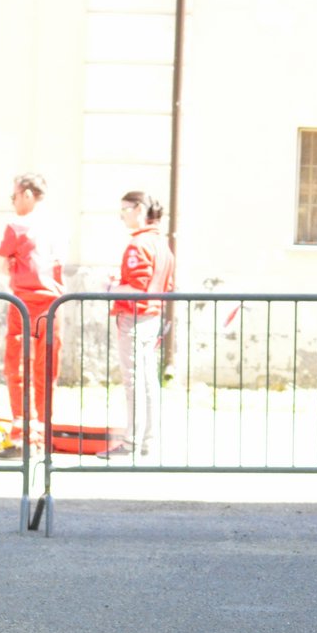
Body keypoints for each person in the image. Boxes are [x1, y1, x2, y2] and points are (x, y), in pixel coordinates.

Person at [0, 173, 66, 459]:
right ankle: (43, 434)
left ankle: (22, 435)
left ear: (26, 194)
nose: (12, 202)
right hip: (55, 305)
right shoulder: (58, 226)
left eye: (13, 196)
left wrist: (14, 266)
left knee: (18, 369)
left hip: (24, 304)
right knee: (47, 371)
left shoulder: (17, 226)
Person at [109, 190, 176, 457]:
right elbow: (163, 284)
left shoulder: (139, 245)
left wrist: (112, 288)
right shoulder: (161, 243)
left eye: (124, 210)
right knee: (148, 380)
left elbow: (138, 286)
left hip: (135, 317)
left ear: (139, 209)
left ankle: (131, 441)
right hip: (152, 316)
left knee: (134, 380)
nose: (122, 216)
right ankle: (147, 440)